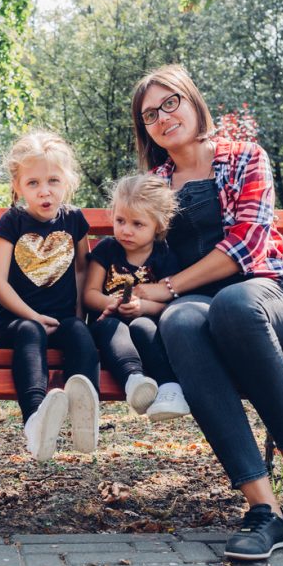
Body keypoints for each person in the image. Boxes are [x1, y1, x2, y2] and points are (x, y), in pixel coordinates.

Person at [130, 64, 283, 560]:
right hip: (200, 306)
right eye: (150, 114)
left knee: (233, 303)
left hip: (273, 295)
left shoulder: (245, 157)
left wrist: (171, 286)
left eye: (170, 102)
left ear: (193, 100)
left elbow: (246, 244)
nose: (162, 117)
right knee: (180, 321)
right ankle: (264, 509)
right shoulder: (153, 183)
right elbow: (141, 252)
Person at [0, 130, 101, 462]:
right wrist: (31, 315)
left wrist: (78, 315)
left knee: (80, 333)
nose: (45, 191)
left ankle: (86, 415)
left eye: (53, 180)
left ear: (66, 181)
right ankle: (36, 421)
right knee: (31, 330)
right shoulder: (11, 222)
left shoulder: (74, 220)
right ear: (18, 186)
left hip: (63, 320)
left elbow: (82, 269)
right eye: (33, 183)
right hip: (17, 325)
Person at [82, 174, 190, 421]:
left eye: (137, 224)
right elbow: (89, 294)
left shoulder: (165, 256)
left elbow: (169, 305)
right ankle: (134, 381)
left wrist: (143, 307)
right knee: (112, 326)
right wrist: (112, 303)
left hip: (146, 324)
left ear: (158, 226)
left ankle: (169, 388)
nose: (126, 231)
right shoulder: (107, 250)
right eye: (120, 220)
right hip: (106, 325)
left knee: (143, 326)